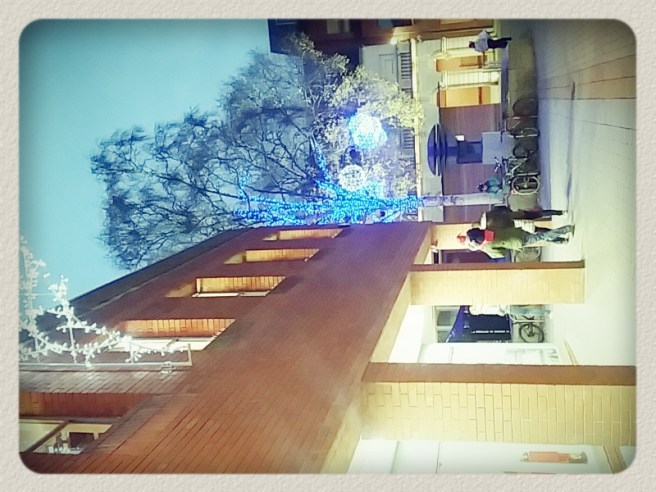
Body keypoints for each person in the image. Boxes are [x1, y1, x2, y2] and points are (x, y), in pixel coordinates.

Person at [458, 223, 574, 259]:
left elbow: (501, 253)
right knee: (540, 235)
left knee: (542, 236)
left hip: (517, 241)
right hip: (516, 231)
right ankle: (561, 241)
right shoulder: (488, 230)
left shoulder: (487, 247)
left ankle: (566, 229)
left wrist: (482, 248)